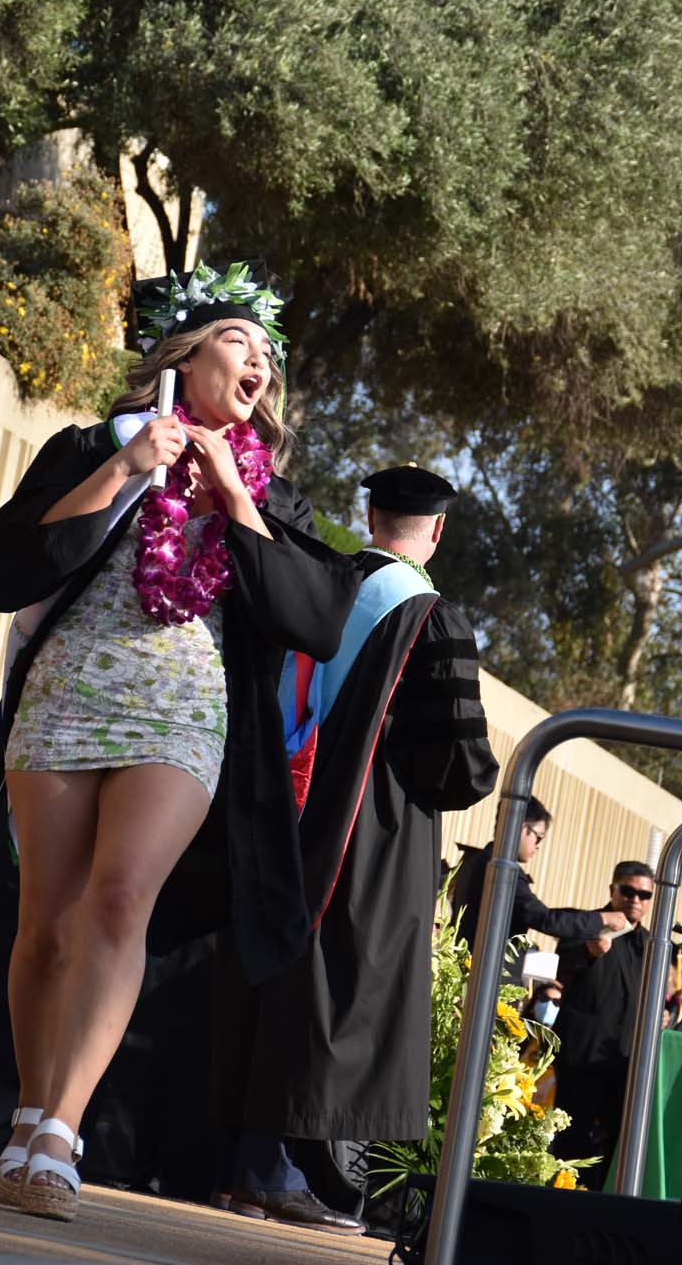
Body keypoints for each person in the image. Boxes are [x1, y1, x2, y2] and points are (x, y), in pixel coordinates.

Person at [0, 261, 356, 1222]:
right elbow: (10, 566)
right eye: (237, 342)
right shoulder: (95, 445)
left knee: (120, 897)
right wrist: (130, 468)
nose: (256, 363)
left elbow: (318, 619)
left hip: (185, 706)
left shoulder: (274, 494)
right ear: (184, 355)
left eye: (267, 354)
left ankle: (60, 1132)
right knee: (45, 918)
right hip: (72, 687)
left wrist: (238, 504)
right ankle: (31, 1107)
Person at [211, 465, 500, 1226]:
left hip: (279, 806)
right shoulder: (429, 615)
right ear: (435, 532)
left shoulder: (314, 584)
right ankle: (303, 1173)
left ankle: (248, 1161)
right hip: (372, 830)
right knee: (343, 983)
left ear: (369, 518)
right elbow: (455, 766)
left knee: (274, 971)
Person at [551, 859, 655, 1189]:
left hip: (624, 1064)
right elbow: (560, 969)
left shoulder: (651, 944)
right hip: (581, 1058)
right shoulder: (589, 925)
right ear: (613, 890)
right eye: (628, 890)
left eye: (644, 894)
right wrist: (587, 952)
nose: (635, 899)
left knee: (617, 1149)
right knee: (572, 1145)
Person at [450, 796, 628, 982]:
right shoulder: (504, 872)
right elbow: (543, 919)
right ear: (521, 828)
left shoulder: (476, 860)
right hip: (486, 978)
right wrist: (601, 919)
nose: (538, 846)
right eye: (539, 837)